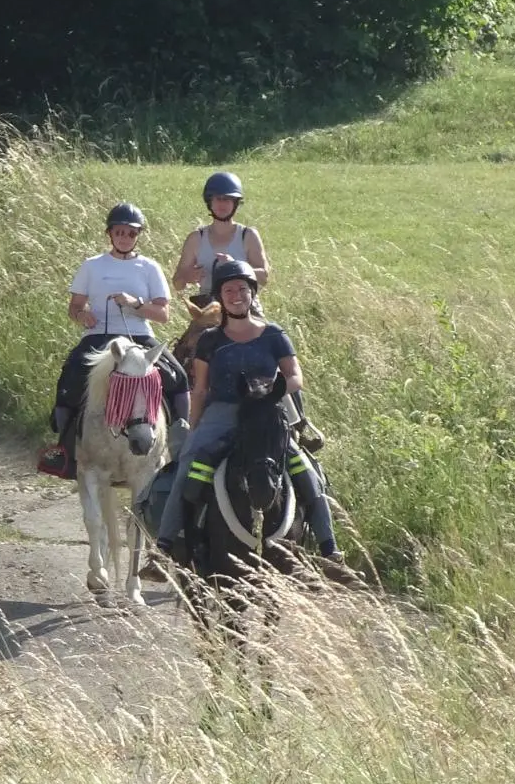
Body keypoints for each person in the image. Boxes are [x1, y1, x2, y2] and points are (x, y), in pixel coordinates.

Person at [153, 259, 337, 560]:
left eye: (242, 288)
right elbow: (200, 389)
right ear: (220, 296)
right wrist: (194, 429)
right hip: (222, 413)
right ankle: (166, 545)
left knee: (305, 468)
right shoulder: (210, 340)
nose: (235, 295)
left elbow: (295, 376)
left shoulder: (274, 334)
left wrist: (267, 391)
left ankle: (329, 550)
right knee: (188, 468)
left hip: (267, 413)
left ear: (252, 293)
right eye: (228, 290)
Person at [38, 203, 189, 478]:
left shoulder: (149, 267)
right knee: (70, 377)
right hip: (98, 336)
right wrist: (83, 316)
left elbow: (163, 314)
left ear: (138, 236)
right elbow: (74, 307)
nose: (124, 237)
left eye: (131, 233)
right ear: (110, 234)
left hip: (140, 336)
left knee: (177, 376)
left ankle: (181, 441)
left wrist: (136, 304)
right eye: (119, 232)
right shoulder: (92, 266)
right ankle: (64, 449)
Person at [172, 171, 269, 299]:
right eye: (218, 199)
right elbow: (177, 283)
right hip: (209, 306)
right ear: (209, 202)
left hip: (243, 304)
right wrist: (188, 276)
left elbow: (264, 277)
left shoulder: (248, 235)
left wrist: (235, 267)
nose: (222, 204)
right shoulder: (196, 239)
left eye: (227, 199)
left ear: (236, 203)